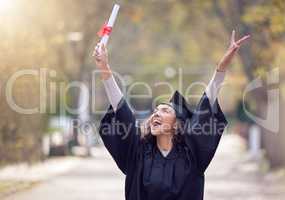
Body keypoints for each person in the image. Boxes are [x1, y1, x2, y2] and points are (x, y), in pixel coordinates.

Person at [93, 30, 250, 200]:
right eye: (155, 111)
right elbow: (121, 108)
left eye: (165, 110)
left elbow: (207, 101)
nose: (156, 114)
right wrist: (104, 68)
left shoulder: (192, 155)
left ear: (177, 124)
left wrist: (222, 67)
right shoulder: (138, 152)